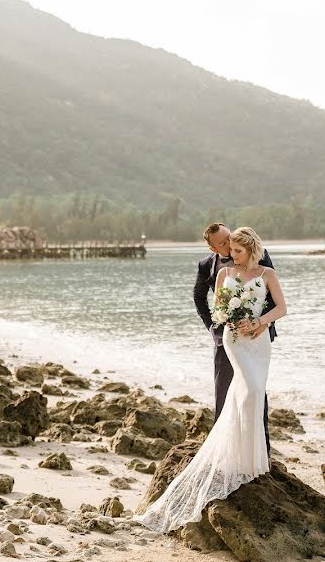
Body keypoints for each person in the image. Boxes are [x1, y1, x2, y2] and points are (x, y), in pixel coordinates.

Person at [137, 227, 287, 533]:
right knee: (239, 391)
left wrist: (259, 322)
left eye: (235, 248)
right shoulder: (219, 272)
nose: (231, 252)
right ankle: (233, 456)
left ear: (249, 248)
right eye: (226, 247)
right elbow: (214, 306)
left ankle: (256, 459)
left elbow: (279, 307)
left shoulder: (266, 270)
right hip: (232, 339)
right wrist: (221, 324)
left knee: (253, 393)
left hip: (258, 340)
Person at [193, 222, 276, 452]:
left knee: (256, 389)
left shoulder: (258, 254)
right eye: (222, 244)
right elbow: (199, 298)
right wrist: (212, 328)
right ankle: (223, 450)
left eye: (228, 238)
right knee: (224, 391)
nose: (229, 245)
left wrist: (264, 323)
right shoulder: (208, 266)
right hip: (226, 339)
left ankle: (261, 451)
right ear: (212, 249)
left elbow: (271, 295)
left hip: (258, 337)